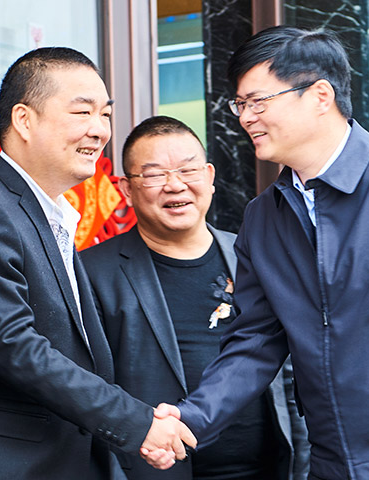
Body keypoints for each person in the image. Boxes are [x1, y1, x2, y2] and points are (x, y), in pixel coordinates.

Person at [146, 26, 369, 480]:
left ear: (320, 96)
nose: (246, 118)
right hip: (332, 462)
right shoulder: (262, 217)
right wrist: (191, 419)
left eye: (258, 102)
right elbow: (254, 341)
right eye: (240, 105)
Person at [0, 47, 196, 480]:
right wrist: (136, 423)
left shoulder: (51, 211)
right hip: (15, 464)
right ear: (24, 120)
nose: (99, 130)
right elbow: (12, 344)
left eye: (105, 114)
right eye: (82, 112)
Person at [81, 115, 310, 480]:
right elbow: (88, 390)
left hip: (267, 469)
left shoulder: (253, 256)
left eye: (188, 170)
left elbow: (288, 370)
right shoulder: (91, 272)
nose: (175, 185)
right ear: (126, 189)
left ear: (209, 176)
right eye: (155, 175)